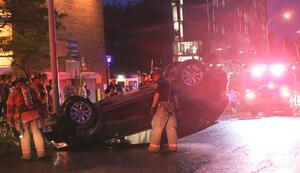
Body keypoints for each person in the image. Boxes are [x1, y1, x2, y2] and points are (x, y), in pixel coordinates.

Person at [6, 76, 47, 160]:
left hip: (21, 117)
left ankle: (26, 156)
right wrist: (42, 113)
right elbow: (38, 100)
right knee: (37, 133)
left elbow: (10, 106)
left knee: (24, 135)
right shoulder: (31, 89)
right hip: (34, 114)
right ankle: (41, 154)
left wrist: (10, 120)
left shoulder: (13, 92)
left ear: (15, 83)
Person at [149, 70, 178, 153]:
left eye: (153, 77)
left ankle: (154, 148)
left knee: (157, 126)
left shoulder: (160, 82)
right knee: (171, 127)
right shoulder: (171, 84)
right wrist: (177, 107)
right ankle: (173, 147)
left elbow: (157, 94)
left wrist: (153, 106)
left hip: (162, 106)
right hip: (171, 107)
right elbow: (175, 97)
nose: (153, 79)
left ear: (156, 76)